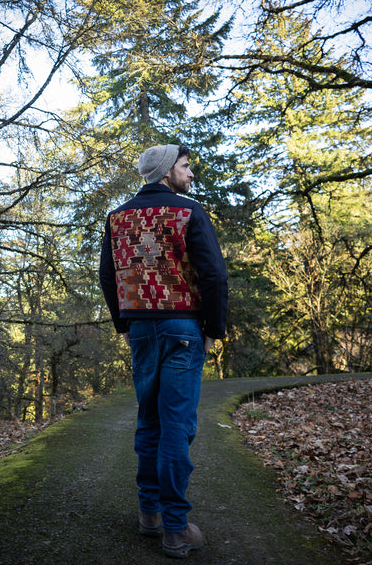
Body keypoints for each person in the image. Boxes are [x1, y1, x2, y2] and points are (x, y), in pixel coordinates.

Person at [99, 144, 228, 558]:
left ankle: (150, 514)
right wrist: (214, 328)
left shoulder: (117, 217)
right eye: (186, 166)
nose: (191, 174)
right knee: (176, 425)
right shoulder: (189, 211)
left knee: (149, 419)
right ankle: (176, 528)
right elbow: (213, 275)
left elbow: (107, 276)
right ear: (166, 171)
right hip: (182, 327)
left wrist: (124, 324)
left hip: (140, 327)